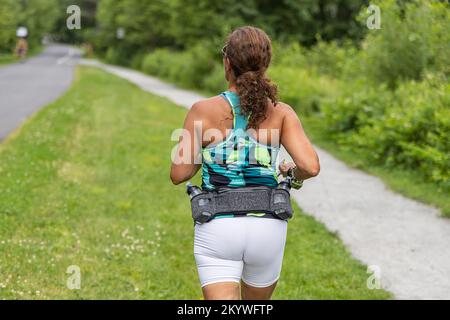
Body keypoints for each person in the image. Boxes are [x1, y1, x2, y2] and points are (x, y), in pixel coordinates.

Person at [170, 26, 320, 300]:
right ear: (266, 64)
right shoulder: (281, 112)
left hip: (217, 223)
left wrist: (206, 155)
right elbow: (310, 166)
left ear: (227, 62)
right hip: (267, 225)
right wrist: (290, 172)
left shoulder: (201, 111)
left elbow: (179, 174)